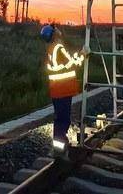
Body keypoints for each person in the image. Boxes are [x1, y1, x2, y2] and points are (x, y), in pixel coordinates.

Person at [40, 24, 87, 157]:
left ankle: (59, 147)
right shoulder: (58, 48)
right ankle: (60, 148)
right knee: (63, 119)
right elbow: (72, 63)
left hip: (57, 89)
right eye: (55, 29)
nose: (58, 30)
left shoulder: (51, 48)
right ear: (54, 34)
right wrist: (83, 54)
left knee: (59, 118)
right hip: (63, 88)